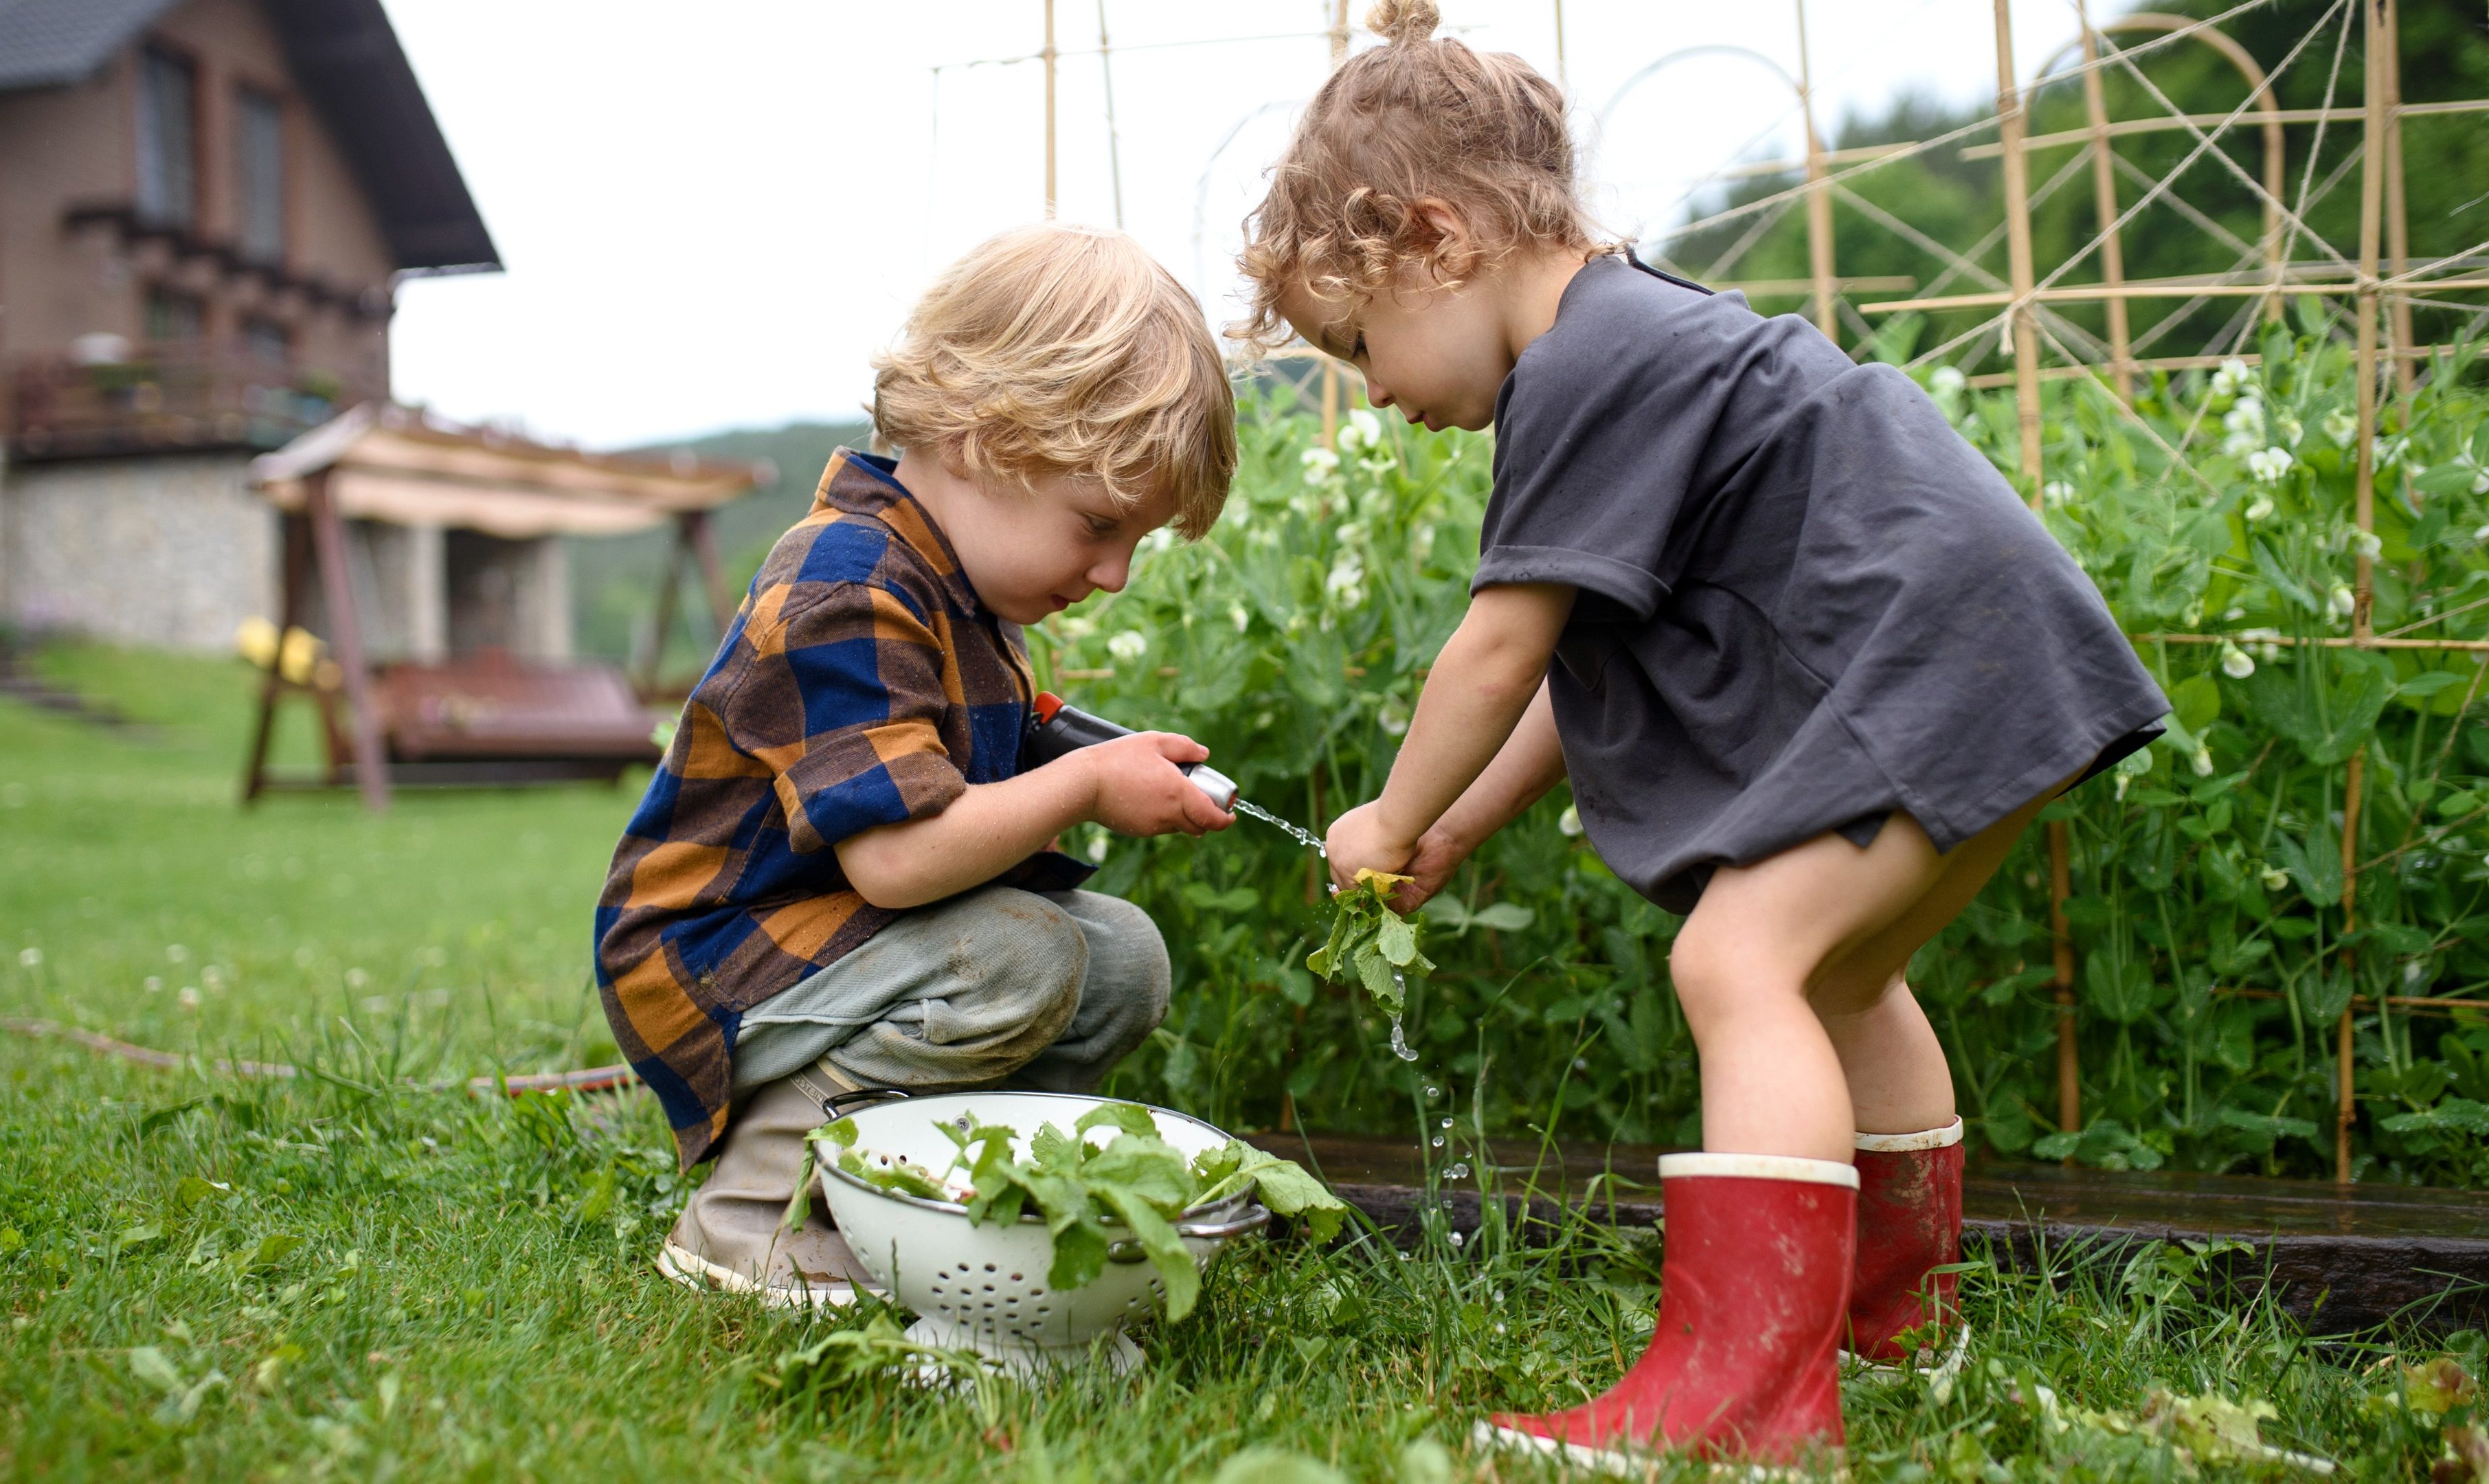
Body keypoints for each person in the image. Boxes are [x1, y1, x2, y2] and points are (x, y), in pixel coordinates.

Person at [1238, 1, 2166, 1470]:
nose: (1377, 392)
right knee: (1846, 977)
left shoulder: (1583, 368)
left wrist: (1391, 818)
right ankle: (1893, 1336)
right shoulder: (1634, 331)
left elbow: (1499, 649)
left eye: (1362, 342)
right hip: (1988, 653)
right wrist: (1468, 828)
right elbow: (1583, 659)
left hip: (1924, 659)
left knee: (1738, 960)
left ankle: (1748, 1397)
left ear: (1436, 239)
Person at [596, 223, 1238, 1305]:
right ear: (986, 435)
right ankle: (756, 1217)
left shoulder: (962, 589)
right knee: (1015, 957)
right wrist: (1082, 785)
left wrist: (1072, 748)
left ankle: (957, 1193)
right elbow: (897, 862)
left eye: (1138, 542)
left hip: (846, 951)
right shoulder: (847, 581)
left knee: (1121, 956)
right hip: (722, 958)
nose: (1117, 574)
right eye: (1099, 525)